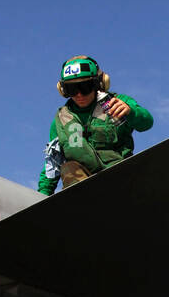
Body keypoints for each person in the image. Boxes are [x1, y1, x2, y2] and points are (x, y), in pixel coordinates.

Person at [38, 56, 154, 195]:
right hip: (82, 187)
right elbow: (52, 164)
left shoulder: (117, 103)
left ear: (98, 84)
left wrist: (131, 112)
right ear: (63, 90)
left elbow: (147, 123)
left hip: (120, 176)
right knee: (68, 168)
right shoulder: (61, 120)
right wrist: (40, 198)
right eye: (72, 88)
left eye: (85, 87)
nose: (79, 94)